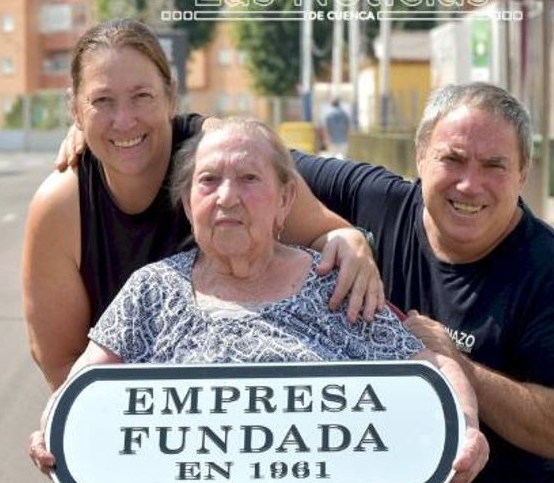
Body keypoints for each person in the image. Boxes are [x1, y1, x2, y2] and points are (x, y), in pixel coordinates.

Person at [28, 117, 489, 482]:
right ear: (189, 206)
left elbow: (431, 368)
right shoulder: (151, 291)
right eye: (208, 181)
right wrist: (55, 429)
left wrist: (466, 427)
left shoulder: (334, 286)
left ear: (285, 200)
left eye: (249, 178)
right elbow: (83, 385)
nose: (228, 197)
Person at [24, 19, 385, 393]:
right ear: (75, 110)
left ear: (171, 96)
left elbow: (324, 232)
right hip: (136, 425)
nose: (124, 120)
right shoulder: (61, 206)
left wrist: (350, 241)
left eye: (142, 96)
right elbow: (62, 364)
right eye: (102, 101)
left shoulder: (220, 157)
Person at [294, 83, 554, 482]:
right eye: (453, 159)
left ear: (522, 175)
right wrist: (336, 233)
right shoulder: (375, 200)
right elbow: (253, 160)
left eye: (494, 166)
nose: (469, 184)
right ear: (421, 157)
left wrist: (459, 367)